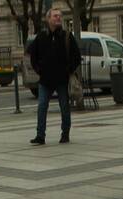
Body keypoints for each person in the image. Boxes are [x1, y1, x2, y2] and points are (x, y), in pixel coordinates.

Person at [28, 8, 80, 145]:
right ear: (48, 19)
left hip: (62, 80)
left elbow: (77, 57)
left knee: (64, 107)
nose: (58, 18)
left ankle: (65, 133)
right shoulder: (41, 36)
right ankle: (40, 135)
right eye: (55, 16)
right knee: (42, 106)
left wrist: (69, 70)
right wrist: (39, 70)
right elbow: (33, 56)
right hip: (45, 80)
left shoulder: (67, 36)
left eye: (60, 16)